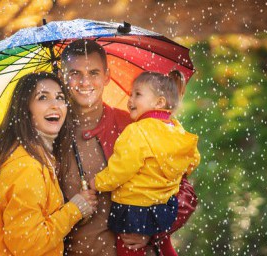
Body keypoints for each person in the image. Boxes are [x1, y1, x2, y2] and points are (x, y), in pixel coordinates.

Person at [57, 39, 198, 256]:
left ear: (107, 76)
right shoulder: (51, 137)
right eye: (75, 73)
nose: (85, 82)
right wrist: (72, 210)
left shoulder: (136, 126)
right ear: (61, 77)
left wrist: (151, 229)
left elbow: (184, 192)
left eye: (94, 73)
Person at [0, 72, 98, 255]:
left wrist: (76, 209)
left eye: (60, 97)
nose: (55, 105)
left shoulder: (27, 155)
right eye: (42, 97)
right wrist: (74, 209)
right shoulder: (26, 167)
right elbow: (28, 245)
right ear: (25, 108)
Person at [89, 70, 200, 256]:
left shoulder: (136, 131)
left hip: (134, 208)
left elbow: (121, 169)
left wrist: (98, 183)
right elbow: (193, 159)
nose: (130, 100)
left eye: (137, 94)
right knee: (165, 246)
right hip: (165, 205)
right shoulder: (176, 128)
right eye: (131, 94)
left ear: (159, 102)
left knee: (129, 248)